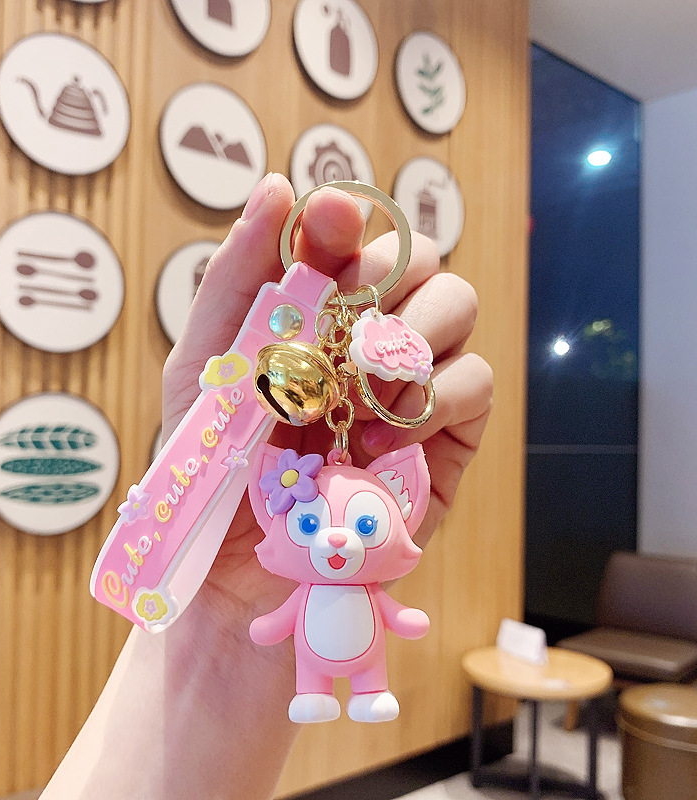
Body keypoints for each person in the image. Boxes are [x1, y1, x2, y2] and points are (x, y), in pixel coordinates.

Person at [40, 173, 493, 800]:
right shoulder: (272, 461)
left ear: (402, 496)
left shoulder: (330, 479)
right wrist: (222, 619)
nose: (337, 539)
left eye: (364, 524)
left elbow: (357, 617)